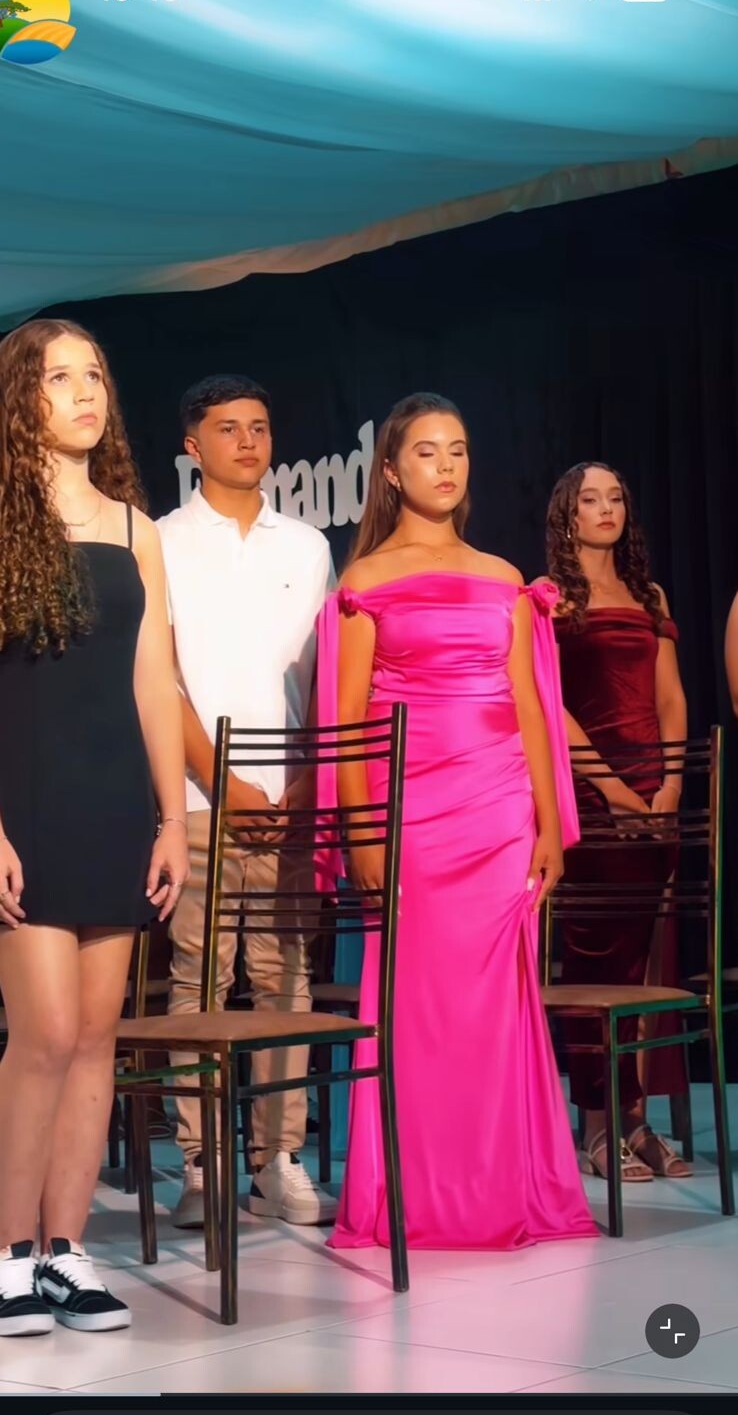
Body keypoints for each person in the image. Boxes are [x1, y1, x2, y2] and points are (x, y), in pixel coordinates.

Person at [315, 392, 597, 1249]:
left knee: (496, 1006)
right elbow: (346, 724)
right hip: (409, 817)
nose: (446, 466)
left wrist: (549, 825)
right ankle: (418, 1194)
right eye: (427, 452)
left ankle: (500, 1188)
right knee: (417, 1006)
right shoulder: (363, 583)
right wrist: (362, 835)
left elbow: (532, 707)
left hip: (500, 813)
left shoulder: (506, 578)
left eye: (459, 450)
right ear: (391, 472)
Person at [0, 319, 188, 1337]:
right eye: (58, 376)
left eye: (95, 375)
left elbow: (155, 682)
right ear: (19, 398)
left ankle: (64, 1252)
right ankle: (5, 1255)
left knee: (95, 1037)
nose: (85, 392)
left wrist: (174, 819)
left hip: (117, 800)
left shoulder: (133, 527)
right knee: (42, 1035)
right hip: (24, 801)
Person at [157, 375, 337, 1229]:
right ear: (192, 446)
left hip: (292, 796)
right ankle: (201, 1165)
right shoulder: (160, 541)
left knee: (285, 978)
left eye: (259, 427)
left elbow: (329, 675)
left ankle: (278, 1160)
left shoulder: (306, 545)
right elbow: (160, 678)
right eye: (228, 429)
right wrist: (222, 783)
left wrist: (304, 781)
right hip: (198, 796)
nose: (248, 442)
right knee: (197, 975)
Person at [546, 461, 691, 1182]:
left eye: (616, 498)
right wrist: (611, 787)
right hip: (591, 799)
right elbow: (550, 707)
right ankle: (598, 1125)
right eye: (590, 499)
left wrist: (669, 786)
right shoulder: (548, 599)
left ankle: (636, 1119)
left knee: (640, 967)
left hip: (654, 796)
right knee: (593, 963)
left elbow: (670, 698)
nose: (606, 509)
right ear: (567, 515)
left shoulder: (648, 594)